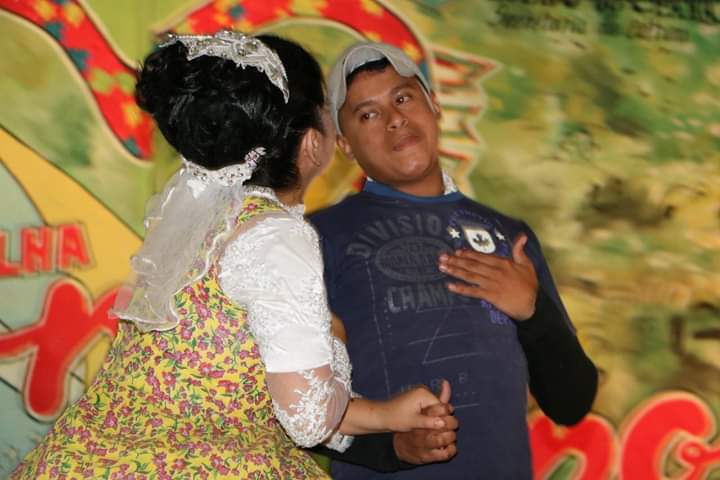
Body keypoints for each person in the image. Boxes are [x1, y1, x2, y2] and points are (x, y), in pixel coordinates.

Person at [10, 32, 454, 480]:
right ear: (311, 142)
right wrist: (333, 338)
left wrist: (384, 415)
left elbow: (243, 393)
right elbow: (306, 418)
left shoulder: (201, 220)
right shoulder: (275, 236)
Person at [308, 42, 599, 478]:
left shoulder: (509, 236)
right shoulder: (316, 237)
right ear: (345, 145)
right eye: (368, 114)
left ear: (434, 105)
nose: (394, 119)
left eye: (403, 97)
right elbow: (288, 403)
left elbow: (571, 402)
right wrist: (390, 448)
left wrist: (533, 312)